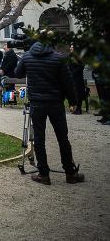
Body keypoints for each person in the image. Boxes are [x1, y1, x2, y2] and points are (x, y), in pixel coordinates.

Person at [15, 41, 85, 185]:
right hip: (55, 102)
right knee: (63, 138)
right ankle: (70, 173)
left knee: (39, 139)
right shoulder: (59, 58)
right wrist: (73, 102)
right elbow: (68, 82)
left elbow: (18, 73)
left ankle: (44, 174)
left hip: (37, 103)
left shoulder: (27, 56)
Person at [68, 45, 85, 115]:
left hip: (78, 78)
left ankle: (79, 109)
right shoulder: (69, 56)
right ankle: (73, 108)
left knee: (78, 93)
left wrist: (73, 73)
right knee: (72, 93)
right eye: (70, 47)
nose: (70, 48)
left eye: (72, 47)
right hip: (71, 79)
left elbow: (81, 66)